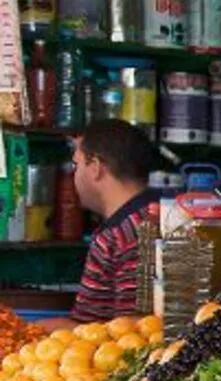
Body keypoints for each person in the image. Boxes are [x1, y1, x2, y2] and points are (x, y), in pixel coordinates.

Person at [34, 120, 164, 331]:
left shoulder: (123, 233)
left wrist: (29, 330)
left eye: (77, 165)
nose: (74, 176)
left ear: (95, 168)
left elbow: (125, 331)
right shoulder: (163, 213)